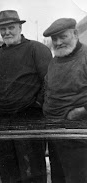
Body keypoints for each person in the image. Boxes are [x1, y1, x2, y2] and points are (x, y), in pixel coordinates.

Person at [0, 10, 52, 183]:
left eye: (11, 27)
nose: (7, 32)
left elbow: (49, 82)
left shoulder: (37, 49)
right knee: (8, 169)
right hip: (4, 122)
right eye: (3, 29)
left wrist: (36, 105)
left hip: (29, 120)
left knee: (32, 169)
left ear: (20, 27)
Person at [43, 18, 87, 183]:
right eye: (54, 39)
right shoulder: (54, 61)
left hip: (79, 137)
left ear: (75, 34)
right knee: (59, 179)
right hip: (56, 135)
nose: (58, 42)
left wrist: (80, 112)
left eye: (63, 37)